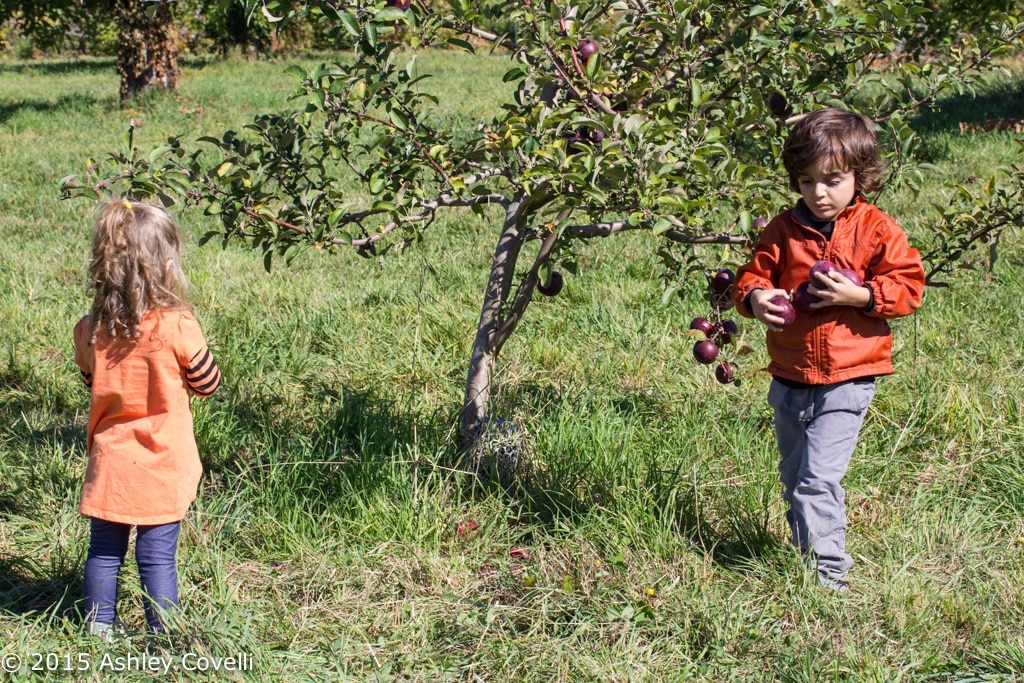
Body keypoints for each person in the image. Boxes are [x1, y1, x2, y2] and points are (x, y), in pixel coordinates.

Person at [732, 108, 925, 592]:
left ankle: (828, 578)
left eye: (833, 180)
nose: (819, 193)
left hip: (848, 376)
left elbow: (909, 287)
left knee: (817, 478)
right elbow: (751, 278)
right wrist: (758, 299)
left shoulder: (876, 229)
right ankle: (807, 558)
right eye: (806, 180)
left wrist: (859, 296)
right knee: (795, 474)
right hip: (789, 376)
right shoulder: (782, 230)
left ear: (860, 175)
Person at [73, 199, 221, 636]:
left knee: (103, 549)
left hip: (110, 463)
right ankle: (164, 632)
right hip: (161, 463)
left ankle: (99, 627)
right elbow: (207, 383)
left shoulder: (90, 329)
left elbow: (91, 380)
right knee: (157, 555)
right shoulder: (177, 325)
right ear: (165, 264)